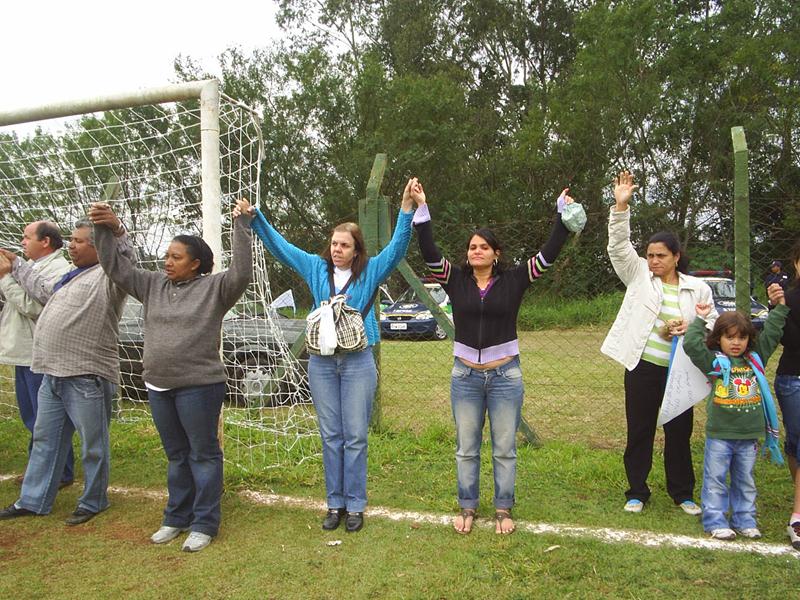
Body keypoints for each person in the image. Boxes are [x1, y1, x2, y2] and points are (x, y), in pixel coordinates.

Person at [244, 180, 416, 533]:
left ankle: (355, 506)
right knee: (330, 435)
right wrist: (256, 218)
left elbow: (397, 249)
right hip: (321, 363)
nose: (337, 249)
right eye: (334, 243)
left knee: (355, 435)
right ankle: (334, 503)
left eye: (344, 245)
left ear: (356, 251)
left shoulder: (369, 271)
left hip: (357, 362)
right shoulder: (315, 268)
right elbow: (281, 248)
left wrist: (406, 210)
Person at [88, 199, 253, 552]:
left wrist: (242, 226)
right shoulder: (151, 285)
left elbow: (241, 272)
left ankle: (204, 523)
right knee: (177, 455)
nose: (167, 261)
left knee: (203, 454)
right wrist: (109, 229)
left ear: (196, 264)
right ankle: (176, 518)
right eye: (167, 255)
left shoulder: (215, 289)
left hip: (200, 387)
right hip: (158, 386)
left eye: (176, 257)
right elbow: (114, 266)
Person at [413, 182, 577, 535]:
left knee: (504, 449)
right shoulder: (454, 280)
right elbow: (428, 252)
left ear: (496, 253)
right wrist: (422, 209)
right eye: (472, 247)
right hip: (465, 377)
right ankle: (467, 507)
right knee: (466, 449)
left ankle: (503, 509)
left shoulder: (516, 280)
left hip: (506, 376)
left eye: (483, 246)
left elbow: (548, 255)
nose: (476, 251)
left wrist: (562, 217)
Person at [0, 218, 132, 525]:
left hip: (87, 376)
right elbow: (40, 289)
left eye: (79, 241)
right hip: (52, 374)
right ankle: (33, 500)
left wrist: (118, 231)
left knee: (93, 444)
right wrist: (16, 263)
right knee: (45, 439)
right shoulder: (69, 277)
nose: (71, 245)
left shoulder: (111, 276)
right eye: (70, 240)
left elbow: (127, 258)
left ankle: (94, 500)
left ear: (100, 248)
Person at [601, 170, 717, 515]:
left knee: (679, 432)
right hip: (643, 367)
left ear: (676, 256)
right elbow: (619, 248)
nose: (653, 261)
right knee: (640, 430)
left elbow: (711, 325)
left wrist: (691, 326)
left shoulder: (698, 288)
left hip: (680, 370)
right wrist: (620, 208)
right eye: (650, 255)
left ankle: (682, 493)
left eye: (660, 256)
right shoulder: (638, 275)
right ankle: (636, 491)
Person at [683, 283, 787, 540]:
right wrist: (700, 318)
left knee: (745, 481)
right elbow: (692, 345)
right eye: (730, 337)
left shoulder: (756, 360)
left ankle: (744, 519)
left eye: (742, 337)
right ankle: (715, 520)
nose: (736, 343)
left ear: (750, 340)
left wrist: (780, 309)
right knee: (716, 479)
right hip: (720, 435)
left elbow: (772, 334)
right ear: (718, 339)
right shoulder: (715, 364)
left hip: (748, 436)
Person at [0, 221, 73, 487]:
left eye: (26, 237)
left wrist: (5, 277)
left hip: (39, 356)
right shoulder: (30, 267)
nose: (22, 242)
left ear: (45, 241)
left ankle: (56, 471)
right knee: (32, 417)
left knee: (44, 418)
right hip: (23, 354)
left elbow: (34, 306)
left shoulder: (59, 269)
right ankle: (45, 467)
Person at [775, 241, 800, 550]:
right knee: (796, 442)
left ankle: (797, 512)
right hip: (793, 378)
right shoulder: (789, 299)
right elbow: (791, 342)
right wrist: (779, 309)